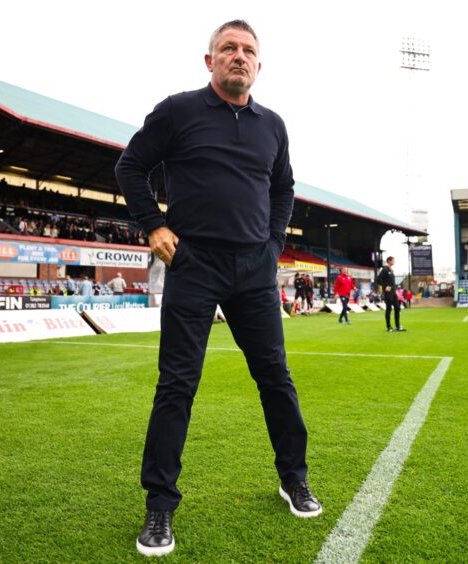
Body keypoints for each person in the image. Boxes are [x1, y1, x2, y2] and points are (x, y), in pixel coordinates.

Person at [115, 19, 320, 557]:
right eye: (227, 48)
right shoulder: (178, 111)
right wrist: (153, 225)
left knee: (275, 376)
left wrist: (274, 242)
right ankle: (159, 506)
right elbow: (130, 165)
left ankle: (293, 477)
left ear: (258, 64)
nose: (238, 56)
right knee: (177, 384)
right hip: (194, 263)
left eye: (248, 50)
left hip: (254, 269)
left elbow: (284, 188)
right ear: (209, 61)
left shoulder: (273, 125)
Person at [375, 256, 405, 332]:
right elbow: (378, 279)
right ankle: (389, 327)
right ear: (389, 261)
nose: (394, 262)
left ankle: (398, 326)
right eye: (393, 260)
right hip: (388, 292)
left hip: (393, 292)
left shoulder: (391, 270)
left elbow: (392, 282)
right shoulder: (384, 269)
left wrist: (395, 291)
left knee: (397, 308)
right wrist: (385, 287)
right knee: (389, 308)